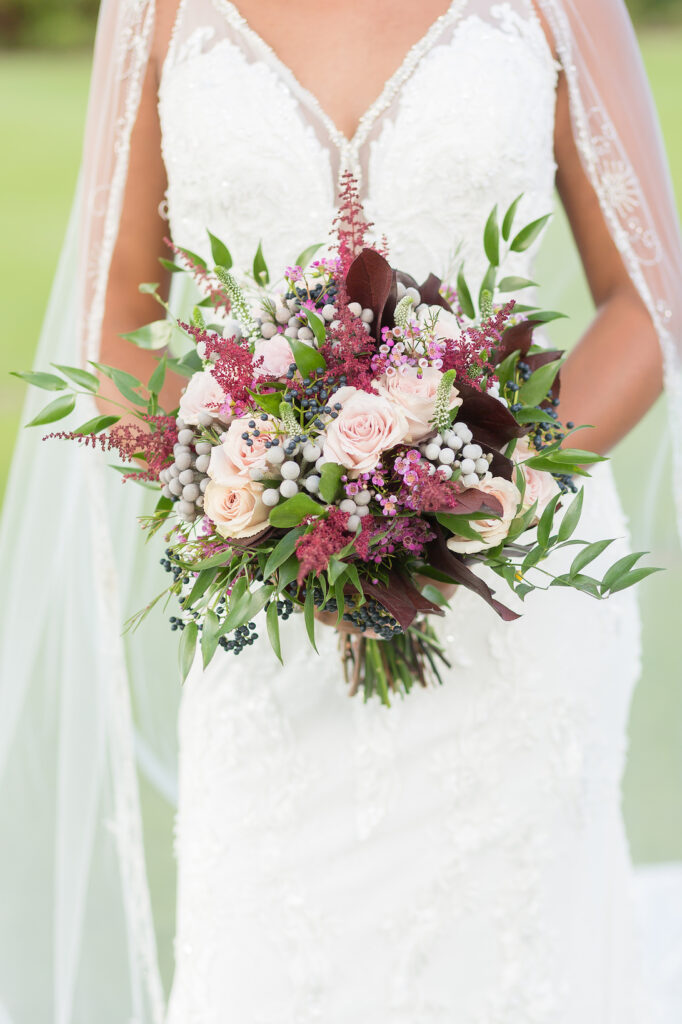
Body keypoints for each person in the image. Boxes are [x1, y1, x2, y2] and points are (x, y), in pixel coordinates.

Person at [1, 1, 681, 1021]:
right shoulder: (154, 9)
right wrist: (250, 505)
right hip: (269, 634)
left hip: (516, 616)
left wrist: (479, 490)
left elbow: (650, 296)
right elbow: (114, 330)